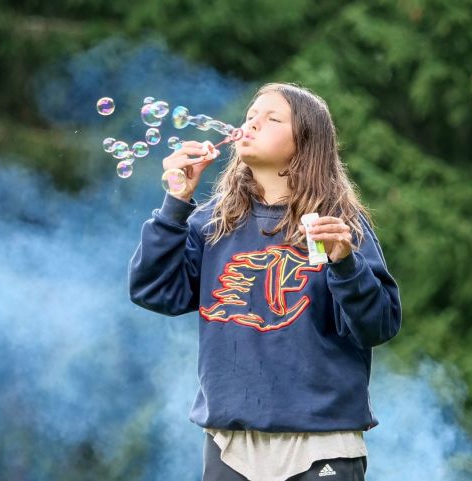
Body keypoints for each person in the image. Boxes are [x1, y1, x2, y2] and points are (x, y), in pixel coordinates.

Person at [129, 83, 402, 481]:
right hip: (231, 445)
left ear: (305, 144)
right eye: (250, 116)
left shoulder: (337, 226)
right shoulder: (213, 224)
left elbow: (377, 325)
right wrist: (175, 204)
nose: (252, 124)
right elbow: (153, 291)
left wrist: (344, 264)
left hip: (321, 443)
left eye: (272, 119)